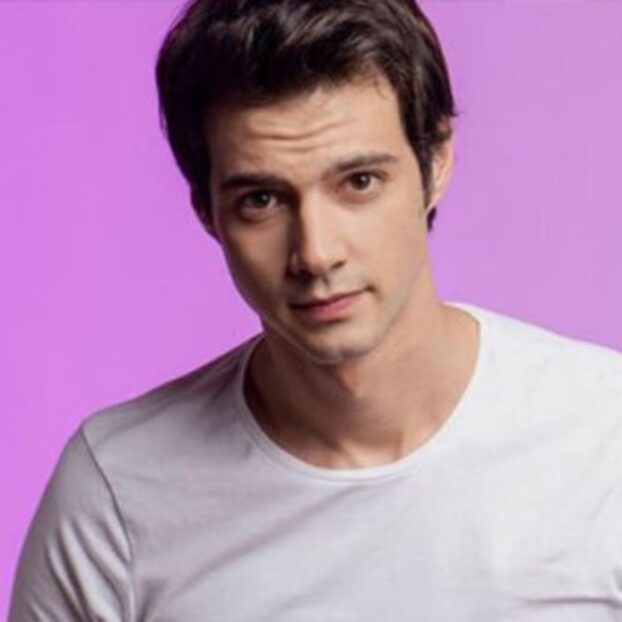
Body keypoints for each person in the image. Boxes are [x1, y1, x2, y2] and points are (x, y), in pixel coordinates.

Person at [10, 0, 622, 619]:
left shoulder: (604, 436)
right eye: (262, 199)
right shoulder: (117, 495)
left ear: (436, 161)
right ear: (207, 212)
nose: (316, 252)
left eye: (359, 182)